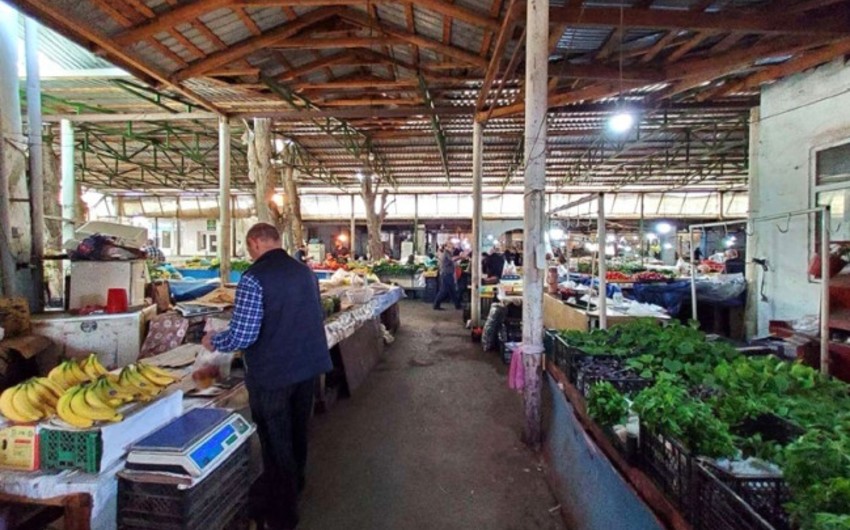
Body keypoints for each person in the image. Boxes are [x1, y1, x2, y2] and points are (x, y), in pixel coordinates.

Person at [202, 223, 332, 530]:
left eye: (248, 248)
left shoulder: (253, 278)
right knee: (298, 432)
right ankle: (295, 486)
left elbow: (244, 335)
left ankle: (282, 514)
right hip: (308, 367)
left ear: (254, 243)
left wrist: (215, 341)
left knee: (276, 442)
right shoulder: (305, 273)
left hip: (273, 373)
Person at [433, 243, 465, 310]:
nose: (452, 249)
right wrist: (460, 257)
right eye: (451, 247)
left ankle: (457, 305)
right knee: (444, 291)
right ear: (446, 247)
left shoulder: (448, 253)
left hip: (448, 274)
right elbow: (452, 259)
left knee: (452, 291)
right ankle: (436, 304)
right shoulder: (446, 253)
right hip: (446, 274)